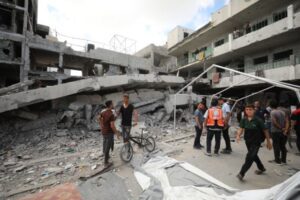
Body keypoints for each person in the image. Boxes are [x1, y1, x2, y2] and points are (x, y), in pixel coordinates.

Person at [236, 104, 272, 181]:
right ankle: (261, 168)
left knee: (249, 157)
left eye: (250, 109)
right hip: (248, 141)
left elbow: (265, 130)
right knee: (254, 155)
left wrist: (268, 141)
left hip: (256, 142)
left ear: (254, 110)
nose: (248, 111)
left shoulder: (258, 120)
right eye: (247, 109)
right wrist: (238, 135)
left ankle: (241, 173)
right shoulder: (244, 119)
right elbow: (241, 128)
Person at [99, 100, 120, 167]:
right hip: (109, 132)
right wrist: (116, 133)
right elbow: (112, 125)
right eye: (112, 104)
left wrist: (102, 126)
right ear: (110, 105)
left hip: (104, 131)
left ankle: (106, 156)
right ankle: (106, 162)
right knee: (108, 146)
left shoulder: (103, 112)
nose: (113, 105)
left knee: (105, 143)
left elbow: (99, 118)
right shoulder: (111, 114)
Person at [269, 100, 288, 165]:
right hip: (283, 131)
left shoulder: (272, 112)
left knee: (276, 146)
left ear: (270, 105)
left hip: (275, 131)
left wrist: (280, 128)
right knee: (282, 146)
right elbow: (287, 121)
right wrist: (285, 129)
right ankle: (284, 160)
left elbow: (274, 122)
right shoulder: (282, 112)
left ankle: (277, 160)